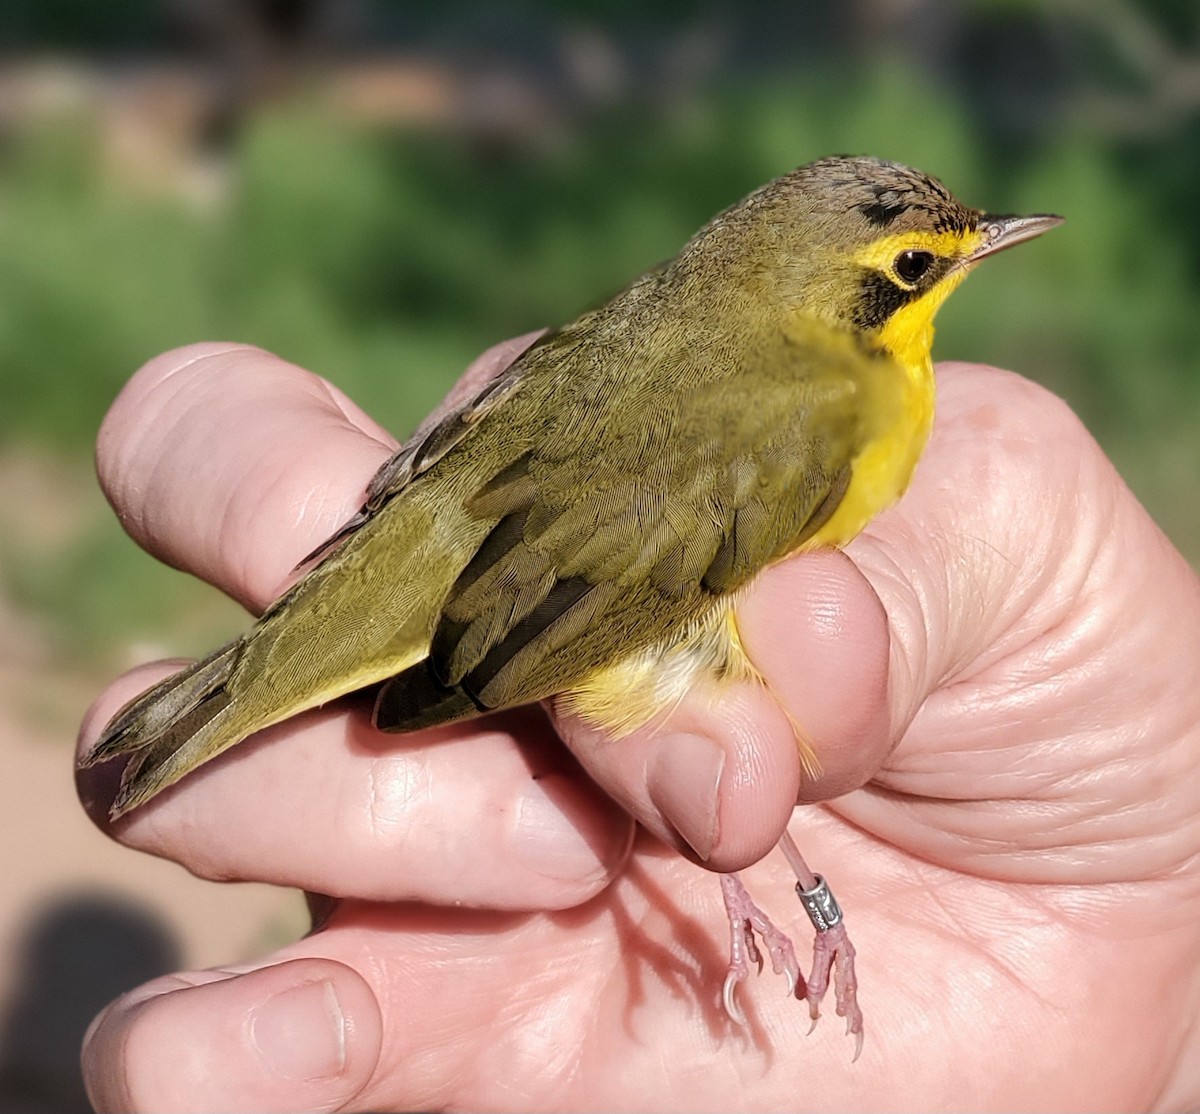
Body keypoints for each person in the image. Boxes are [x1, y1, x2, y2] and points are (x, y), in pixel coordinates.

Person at [76, 341, 1200, 1113]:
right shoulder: (825, 413)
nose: (954, 272)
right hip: (549, 607)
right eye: (910, 271)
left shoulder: (816, 393)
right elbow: (640, 637)